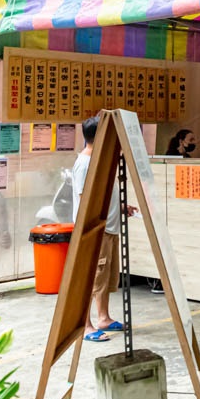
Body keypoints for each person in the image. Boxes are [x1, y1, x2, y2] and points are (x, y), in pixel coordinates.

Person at [72, 116, 125, 343]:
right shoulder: (85, 164)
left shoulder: (100, 160)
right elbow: (86, 201)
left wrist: (121, 206)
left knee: (104, 278)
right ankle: (85, 326)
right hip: (95, 230)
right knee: (91, 279)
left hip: (110, 227)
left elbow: (105, 194)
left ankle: (103, 317)